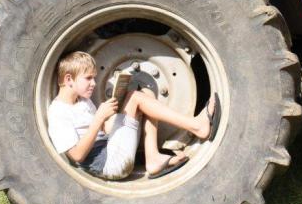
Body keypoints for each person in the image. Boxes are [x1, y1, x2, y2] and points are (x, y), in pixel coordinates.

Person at [47, 51, 219, 180]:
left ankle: (153, 158)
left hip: (110, 146)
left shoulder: (82, 101)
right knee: (136, 98)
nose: (93, 83)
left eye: (94, 78)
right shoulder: (58, 112)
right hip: (108, 163)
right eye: (88, 78)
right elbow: (77, 155)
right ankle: (197, 126)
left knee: (146, 94)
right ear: (69, 80)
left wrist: (115, 112)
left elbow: (105, 130)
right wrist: (99, 117)